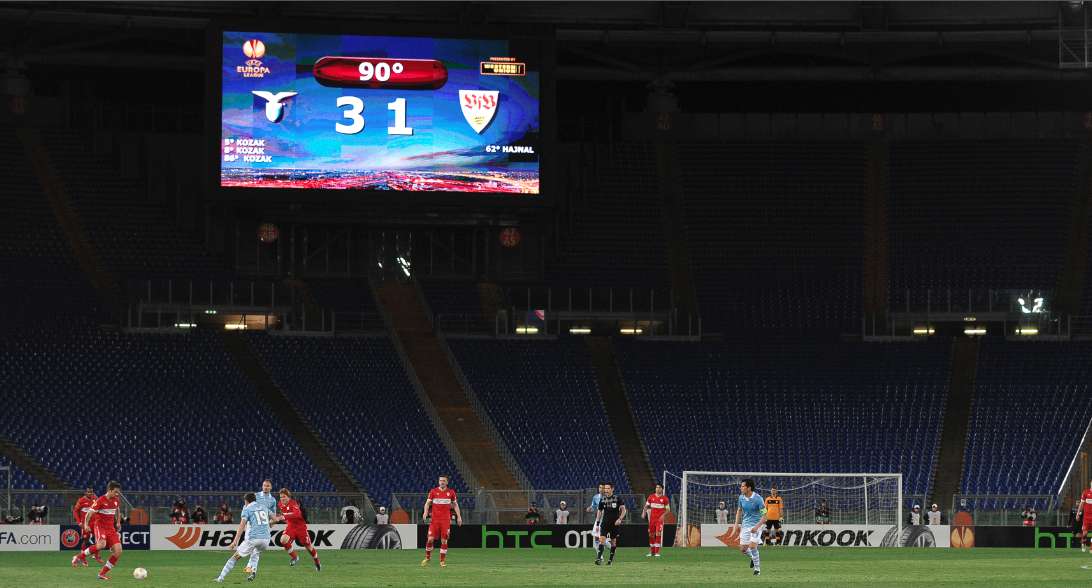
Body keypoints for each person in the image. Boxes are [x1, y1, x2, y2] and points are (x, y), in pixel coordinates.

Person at [71, 480, 123, 581]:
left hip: (111, 528)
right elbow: (89, 513)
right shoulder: (100, 500)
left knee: (118, 551)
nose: (117, 494)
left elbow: (117, 510)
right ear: (109, 490)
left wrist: (118, 522)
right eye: (116, 491)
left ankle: (102, 574)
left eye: (118, 492)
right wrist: (85, 524)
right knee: (101, 545)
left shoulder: (116, 500)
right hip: (100, 526)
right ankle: (79, 556)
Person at [215, 492, 270, 583]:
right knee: (255, 553)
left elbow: (241, 526)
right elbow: (271, 519)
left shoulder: (247, 509)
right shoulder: (263, 507)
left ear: (246, 501)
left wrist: (235, 541)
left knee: (234, 557)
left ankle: (220, 578)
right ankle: (252, 572)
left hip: (253, 538)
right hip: (266, 539)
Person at [421, 474, 462, 568]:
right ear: (438, 482)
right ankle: (427, 557)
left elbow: (455, 505)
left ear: (447, 482)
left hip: (445, 521)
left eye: (444, 481)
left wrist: (459, 517)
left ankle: (442, 561)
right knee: (430, 539)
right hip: (434, 520)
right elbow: (427, 504)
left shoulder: (451, 492)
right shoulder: (433, 491)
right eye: (440, 480)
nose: (442, 482)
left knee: (444, 541)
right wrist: (425, 512)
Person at [275, 488, 320, 571]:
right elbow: (285, 516)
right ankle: (295, 557)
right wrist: (277, 519)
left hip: (300, 527)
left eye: (284, 497)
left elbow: (297, 514)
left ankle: (317, 561)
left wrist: (283, 517)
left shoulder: (293, 503)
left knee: (309, 547)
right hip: (291, 526)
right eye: (281, 497)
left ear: (288, 497)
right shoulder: (280, 504)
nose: (282, 499)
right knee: (283, 540)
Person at [731, 479, 767, 577]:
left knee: (752, 547)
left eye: (743, 486)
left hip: (757, 525)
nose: (741, 488)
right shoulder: (741, 498)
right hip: (745, 525)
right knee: (743, 549)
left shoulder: (758, 499)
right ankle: (752, 558)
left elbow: (765, 516)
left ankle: (757, 569)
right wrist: (735, 526)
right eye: (741, 486)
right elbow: (739, 511)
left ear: (749, 488)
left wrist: (756, 527)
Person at [594, 482, 626, 566]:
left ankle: (610, 560)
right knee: (602, 540)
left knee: (613, 542)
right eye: (605, 488)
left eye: (608, 488)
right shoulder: (602, 499)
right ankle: (598, 558)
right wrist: (597, 524)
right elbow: (599, 512)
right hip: (605, 523)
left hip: (614, 524)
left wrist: (620, 519)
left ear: (612, 489)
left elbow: (624, 510)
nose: (606, 490)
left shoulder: (617, 498)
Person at [73, 487, 104, 564]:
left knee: (99, 540)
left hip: (95, 523)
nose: (90, 493)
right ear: (85, 493)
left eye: (92, 492)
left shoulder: (95, 498)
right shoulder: (81, 500)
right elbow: (75, 511)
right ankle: (82, 558)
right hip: (86, 524)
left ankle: (96, 555)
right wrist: (79, 522)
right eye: (89, 492)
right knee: (86, 540)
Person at [641, 483, 670, 557]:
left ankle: (657, 552)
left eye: (659, 487)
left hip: (659, 520)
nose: (657, 489)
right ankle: (652, 552)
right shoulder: (651, 497)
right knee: (651, 535)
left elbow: (668, 510)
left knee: (658, 534)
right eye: (657, 487)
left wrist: (663, 516)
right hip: (652, 519)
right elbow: (646, 506)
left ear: (662, 489)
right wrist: (643, 513)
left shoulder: (665, 498)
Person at [586, 483, 605, 550]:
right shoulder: (595, 497)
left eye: (602, 488)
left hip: (605, 519)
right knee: (596, 537)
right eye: (600, 487)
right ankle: (600, 557)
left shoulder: (608, 497)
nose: (601, 489)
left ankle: (612, 548)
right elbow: (593, 506)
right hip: (598, 519)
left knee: (601, 538)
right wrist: (590, 508)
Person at [1079, 479, 1092, 553]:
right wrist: (1078, 513)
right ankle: (1083, 544)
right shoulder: (1085, 493)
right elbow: (1081, 504)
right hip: (1086, 517)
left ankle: (1091, 548)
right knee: (1085, 533)